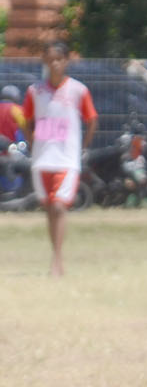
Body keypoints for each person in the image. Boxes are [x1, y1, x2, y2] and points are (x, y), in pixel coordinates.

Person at [22, 42, 98, 276]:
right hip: (42, 158)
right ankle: (55, 254)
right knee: (49, 208)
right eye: (49, 59)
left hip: (66, 159)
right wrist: (33, 141)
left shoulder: (78, 90)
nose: (54, 63)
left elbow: (92, 119)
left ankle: (57, 261)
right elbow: (26, 119)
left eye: (58, 59)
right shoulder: (36, 91)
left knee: (59, 206)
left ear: (66, 61)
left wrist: (83, 146)